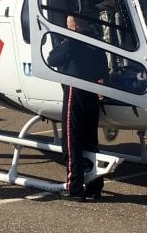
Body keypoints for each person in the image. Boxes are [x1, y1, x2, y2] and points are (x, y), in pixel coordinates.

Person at [46, 14, 108, 202]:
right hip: (91, 93)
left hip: (75, 92)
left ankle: (74, 187)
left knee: (72, 140)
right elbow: (103, 69)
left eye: (69, 26)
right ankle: (95, 186)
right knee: (90, 140)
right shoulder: (96, 43)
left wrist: (66, 40)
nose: (67, 29)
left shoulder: (73, 43)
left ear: (76, 27)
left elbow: (52, 59)